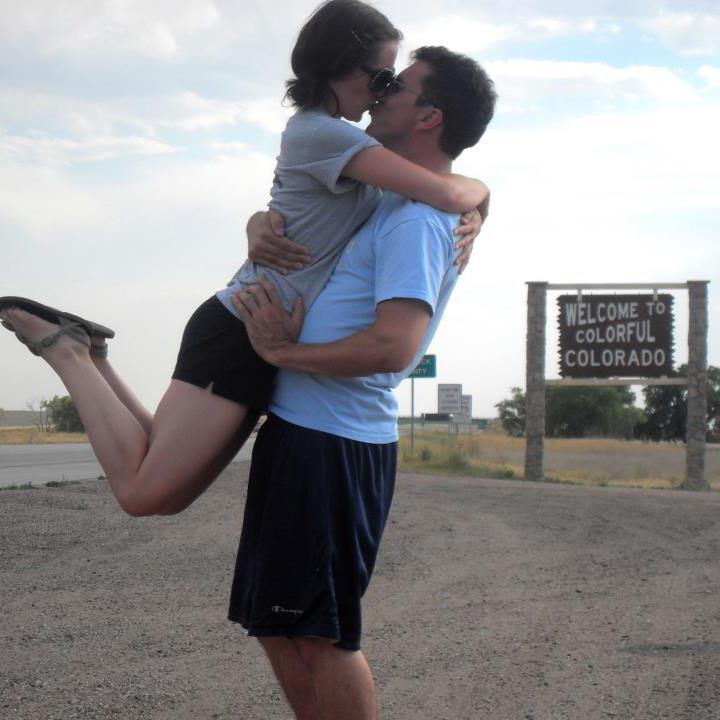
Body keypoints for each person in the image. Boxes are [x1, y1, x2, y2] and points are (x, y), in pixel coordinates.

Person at [0, 0, 488, 518]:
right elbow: (443, 190)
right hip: (242, 326)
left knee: (163, 485)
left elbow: (425, 189)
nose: (381, 95)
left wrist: (478, 199)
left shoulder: (348, 143)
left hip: (255, 326)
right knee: (144, 494)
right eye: (382, 77)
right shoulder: (325, 134)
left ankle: (92, 353)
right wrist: (481, 196)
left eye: (392, 83)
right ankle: (66, 352)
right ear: (343, 67)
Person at [228, 46, 497, 720]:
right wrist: (258, 225)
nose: (378, 94)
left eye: (396, 87)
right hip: (306, 435)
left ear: (429, 116)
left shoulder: (412, 221)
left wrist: (286, 354)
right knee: (279, 624)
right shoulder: (391, 199)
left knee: (320, 633)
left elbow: (394, 345)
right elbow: (293, 206)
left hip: (333, 443)